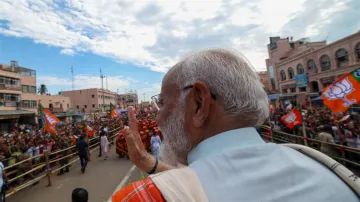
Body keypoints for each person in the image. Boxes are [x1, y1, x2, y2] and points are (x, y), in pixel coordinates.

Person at [112, 48, 358, 202]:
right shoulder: (328, 170)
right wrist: (150, 164)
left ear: (199, 103)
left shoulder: (141, 198)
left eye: (163, 103)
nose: (158, 119)